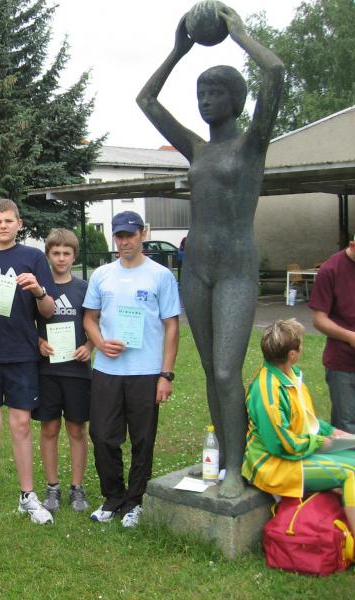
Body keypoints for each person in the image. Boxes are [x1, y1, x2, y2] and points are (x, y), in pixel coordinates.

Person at [136, 3, 284, 498]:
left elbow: (275, 72)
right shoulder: (198, 149)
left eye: (216, 92)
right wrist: (178, 51)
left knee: (226, 369)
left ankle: (237, 468)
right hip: (196, 266)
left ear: (236, 100)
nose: (205, 100)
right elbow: (147, 100)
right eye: (201, 92)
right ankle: (221, 460)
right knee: (208, 369)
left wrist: (237, 33)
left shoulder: (252, 145)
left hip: (236, 267)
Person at [0, 198, 57, 526]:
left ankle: (27, 496)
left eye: (8, 220)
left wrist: (39, 291)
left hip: (22, 354)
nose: (3, 226)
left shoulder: (33, 257)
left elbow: (49, 310)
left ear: (19, 223)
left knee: (21, 425)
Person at [83, 211, 180, 528]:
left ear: (143, 234)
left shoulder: (160, 275)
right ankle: (112, 497)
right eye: (119, 236)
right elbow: (89, 318)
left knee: (142, 439)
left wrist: (165, 374)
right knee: (102, 436)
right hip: (107, 371)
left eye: (130, 235)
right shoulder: (102, 275)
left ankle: (135, 501)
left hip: (146, 372)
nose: (124, 241)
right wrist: (100, 342)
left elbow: (172, 326)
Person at [243, 319, 355, 532]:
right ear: (292, 355)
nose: (303, 346)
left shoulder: (291, 375)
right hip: (274, 466)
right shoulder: (268, 391)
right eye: (301, 344)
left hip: (296, 454)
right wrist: (321, 442)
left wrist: (336, 434)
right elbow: (282, 445)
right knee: (351, 472)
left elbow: (305, 419)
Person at [34, 229, 93, 513]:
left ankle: (77, 488)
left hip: (77, 371)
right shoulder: (39, 289)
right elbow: (27, 323)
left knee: (77, 429)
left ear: (74, 256)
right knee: (49, 428)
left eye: (66, 253)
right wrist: (38, 343)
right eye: (55, 253)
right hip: (47, 371)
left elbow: (95, 323)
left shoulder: (84, 288)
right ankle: (52, 487)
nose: (61, 258)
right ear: (48, 255)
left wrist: (90, 346)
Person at [308, 235, 355, 434]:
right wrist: (350, 337)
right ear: (352, 246)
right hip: (343, 365)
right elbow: (319, 320)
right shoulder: (330, 270)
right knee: (347, 428)